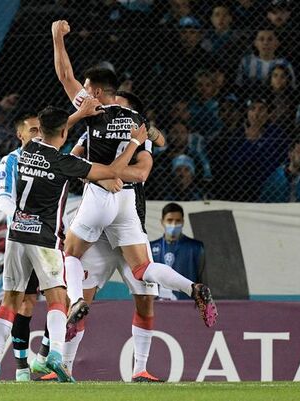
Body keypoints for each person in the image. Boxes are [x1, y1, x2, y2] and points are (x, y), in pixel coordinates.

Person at [51, 19, 216, 331]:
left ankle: (76, 300)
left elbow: (64, 76)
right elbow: (147, 164)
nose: (83, 92)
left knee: (69, 254)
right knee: (142, 267)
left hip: (99, 196)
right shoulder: (139, 120)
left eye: (87, 89)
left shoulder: (92, 109)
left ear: (96, 92)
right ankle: (192, 288)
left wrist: (57, 38)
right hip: (126, 200)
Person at [0, 105, 149, 383]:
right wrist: (133, 142)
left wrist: (76, 116)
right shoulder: (64, 162)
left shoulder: (27, 151)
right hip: (44, 238)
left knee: (10, 300)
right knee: (58, 299)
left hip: (16, 235)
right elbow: (112, 170)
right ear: (63, 132)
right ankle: (56, 355)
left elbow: (54, 128)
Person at [0, 112, 41, 381]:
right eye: (33, 130)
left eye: (41, 130)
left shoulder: (50, 159)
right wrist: (21, 223)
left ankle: (30, 362)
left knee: (31, 302)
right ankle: (11, 363)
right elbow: (3, 198)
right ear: (20, 135)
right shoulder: (9, 161)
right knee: (15, 299)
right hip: (21, 240)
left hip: (44, 241)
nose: (38, 134)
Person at [150, 203, 205, 300]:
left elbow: (202, 278)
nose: (174, 224)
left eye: (178, 221)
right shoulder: (151, 247)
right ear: (162, 222)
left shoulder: (196, 247)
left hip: (186, 304)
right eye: (170, 220)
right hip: (158, 304)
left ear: (183, 222)